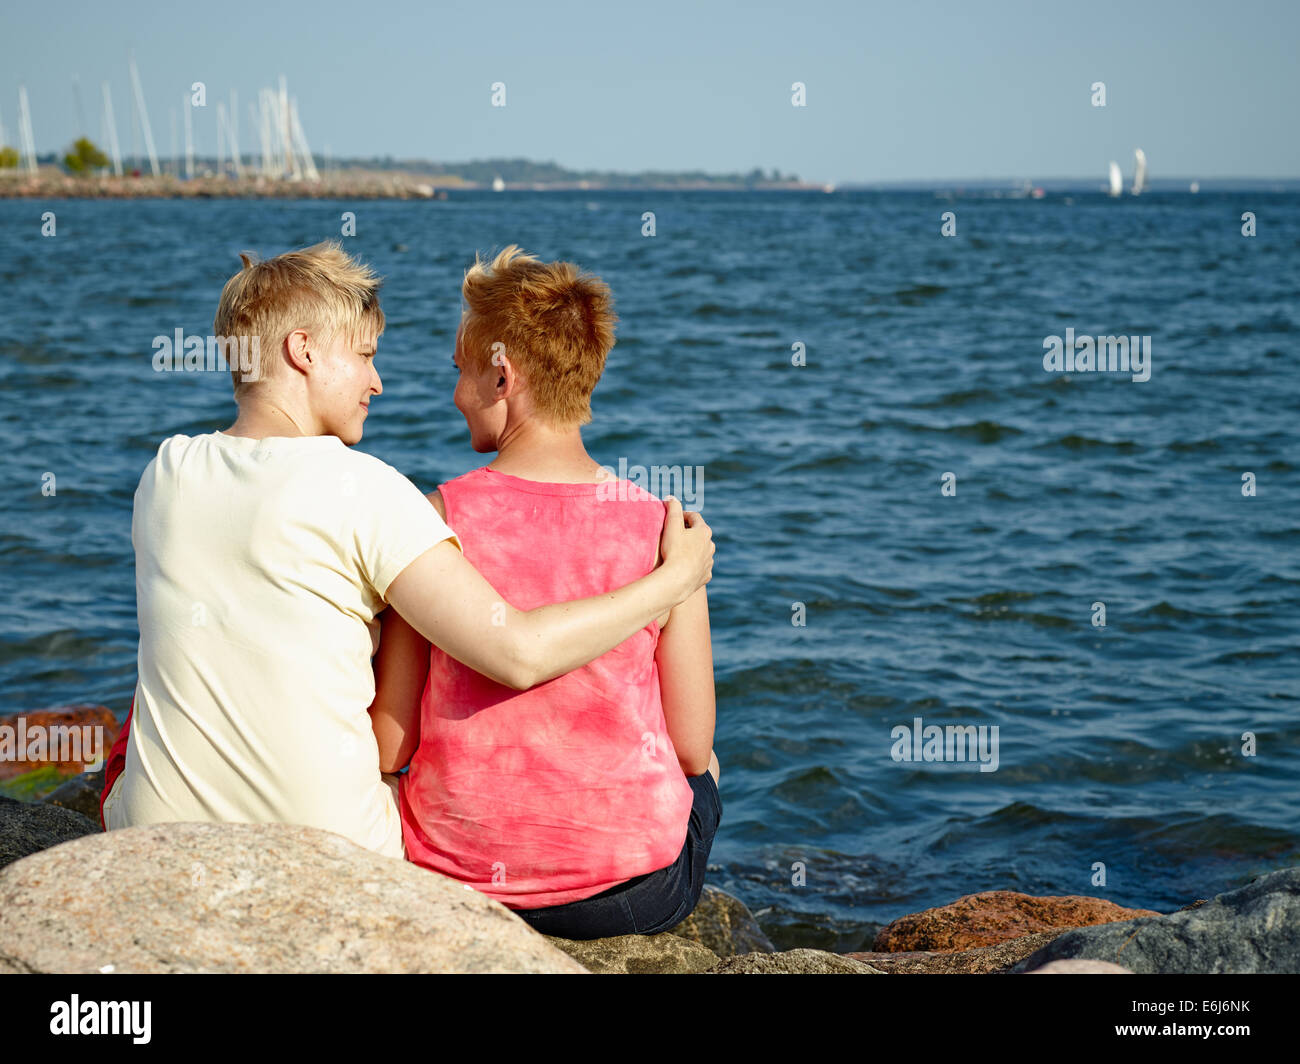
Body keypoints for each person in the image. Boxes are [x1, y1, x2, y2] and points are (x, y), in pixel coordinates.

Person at [101, 241, 713, 861]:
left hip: (153, 839)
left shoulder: (165, 471)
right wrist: (674, 580)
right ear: (303, 350)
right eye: (364, 355)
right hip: (335, 851)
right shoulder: (367, 489)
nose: (377, 381)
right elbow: (518, 654)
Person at [370, 246, 720, 937]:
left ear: (502, 374)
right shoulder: (662, 531)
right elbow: (688, 746)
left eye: (459, 373)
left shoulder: (436, 520)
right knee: (707, 763)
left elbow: (390, 743)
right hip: (630, 893)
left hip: (460, 884)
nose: (453, 394)